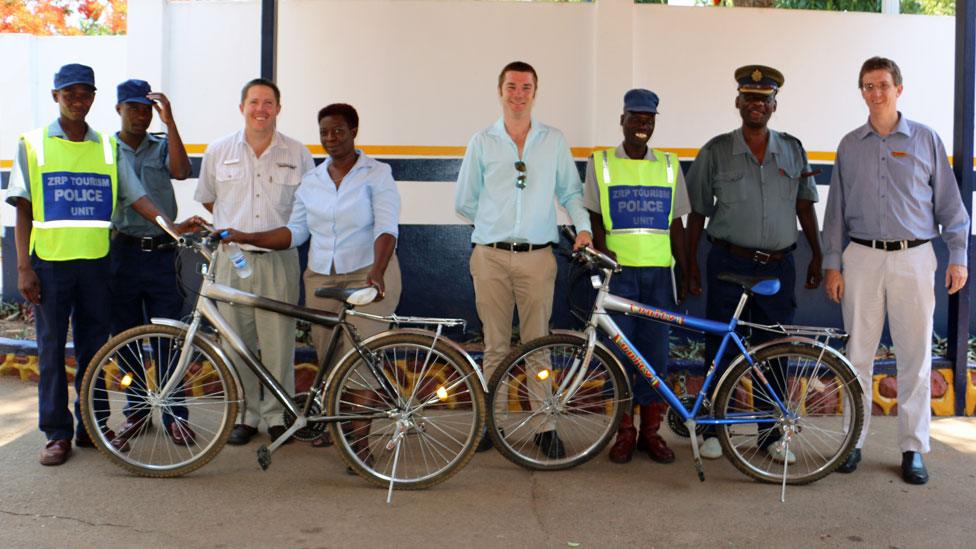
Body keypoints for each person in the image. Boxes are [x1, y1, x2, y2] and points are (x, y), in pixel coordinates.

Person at [5, 63, 200, 466]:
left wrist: (173, 227)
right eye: (69, 93)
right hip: (51, 265)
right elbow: (22, 209)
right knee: (51, 350)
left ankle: (93, 426)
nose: (78, 101)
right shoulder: (33, 143)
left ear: (93, 98)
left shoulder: (107, 149)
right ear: (56, 97)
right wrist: (23, 267)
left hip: (97, 265)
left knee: (96, 351)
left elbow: (140, 198)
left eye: (84, 93)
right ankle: (57, 434)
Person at [220, 103, 401, 454]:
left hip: (368, 273)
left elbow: (386, 227)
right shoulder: (313, 180)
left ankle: (358, 443)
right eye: (324, 132)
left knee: (361, 358)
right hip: (321, 278)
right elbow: (295, 232)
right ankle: (338, 426)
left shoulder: (376, 173)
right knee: (330, 360)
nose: (331, 138)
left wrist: (377, 271)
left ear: (354, 132)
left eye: (338, 131)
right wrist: (246, 236)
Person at [823, 57, 969, 485]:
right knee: (858, 357)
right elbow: (836, 213)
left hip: (914, 258)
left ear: (898, 89)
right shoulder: (850, 145)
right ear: (862, 92)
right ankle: (854, 441)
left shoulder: (926, 140)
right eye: (868, 86)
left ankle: (912, 448)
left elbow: (951, 207)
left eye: (883, 84)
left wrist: (958, 255)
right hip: (862, 259)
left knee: (915, 357)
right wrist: (834, 264)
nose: (876, 93)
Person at [454, 61, 593, 458]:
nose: (518, 94)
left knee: (538, 347)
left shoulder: (553, 141)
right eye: (511, 86)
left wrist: (582, 228)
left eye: (526, 87)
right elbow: (464, 201)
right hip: (490, 258)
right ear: (500, 91)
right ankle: (489, 424)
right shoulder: (482, 142)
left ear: (536, 92)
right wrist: (495, 223)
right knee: (495, 346)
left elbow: (569, 192)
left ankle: (544, 426)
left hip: (537, 259)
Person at [686, 65, 823, 461]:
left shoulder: (793, 150)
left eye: (763, 99)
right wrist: (692, 266)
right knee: (721, 349)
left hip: (778, 267)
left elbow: (804, 206)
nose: (756, 104)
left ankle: (772, 435)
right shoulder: (715, 151)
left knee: (775, 350)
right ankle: (714, 428)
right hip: (728, 262)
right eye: (749, 97)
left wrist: (816, 254)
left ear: (774, 105)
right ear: (738, 103)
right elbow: (697, 213)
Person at [194, 78, 315, 445]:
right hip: (231, 261)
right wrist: (240, 230)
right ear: (242, 107)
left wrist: (260, 234)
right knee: (236, 342)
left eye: (268, 102)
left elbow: (306, 208)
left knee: (278, 341)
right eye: (253, 102)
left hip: (279, 261)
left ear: (279, 108)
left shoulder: (298, 154)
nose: (260, 109)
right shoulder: (218, 151)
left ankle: (279, 415)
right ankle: (246, 414)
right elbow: (209, 199)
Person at [583, 89, 689, 464]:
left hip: (659, 276)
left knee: (655, 356)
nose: (643, 124)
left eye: (650, 119)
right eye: (636, 117)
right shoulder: (600, 163)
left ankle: (650, 434)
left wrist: (687, 270)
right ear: (622, 119)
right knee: (621, 355)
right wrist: (601, 247)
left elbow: (677, 224)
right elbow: (594, 216)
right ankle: (625, 432)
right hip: (619, 277)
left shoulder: (670, 165)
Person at [107, 79, 194, 450]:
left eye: (146, 109)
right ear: (119, 110)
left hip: (162, 253)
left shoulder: (160, 145)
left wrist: (170, 122)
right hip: (122, 253)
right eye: (133, 108)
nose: (140, 115)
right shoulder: (105, 150)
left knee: (169, 339)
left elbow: (181, 171)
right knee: (126, 340)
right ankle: (137, 410)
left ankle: (176, 415)